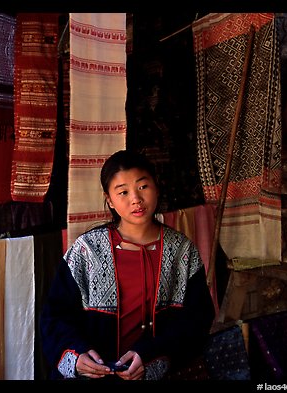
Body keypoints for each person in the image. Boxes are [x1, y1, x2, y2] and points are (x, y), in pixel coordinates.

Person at [40, 149, 215, 380]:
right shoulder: (87, 250)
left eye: (143, 187)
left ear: (156, 186)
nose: (136, 199)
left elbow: (197, 320)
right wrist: (77, 355)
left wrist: (151, 354)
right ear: (110, 200)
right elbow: (54, 316)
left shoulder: (182, 252)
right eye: (123, 192)